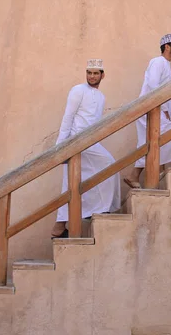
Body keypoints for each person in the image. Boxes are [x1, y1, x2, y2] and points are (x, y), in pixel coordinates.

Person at [51, 59, 121, 238]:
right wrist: (60, 147)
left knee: (77, 182)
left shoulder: (101, 97)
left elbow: (95, 123)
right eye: (89, 73)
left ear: (102, 75)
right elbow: (68, 117)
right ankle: (99, 210)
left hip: (91, 142)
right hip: (76, 140)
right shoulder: (78, 90)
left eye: (96, 73)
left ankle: (60, 228)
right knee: (105, 165)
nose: (92, 76)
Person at [124, 33, 171, 189]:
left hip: (156, 109)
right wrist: (163, 110)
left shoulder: (166, 64)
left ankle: (138, 175)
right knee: (164, 138)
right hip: (151, 109)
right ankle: (149, 174)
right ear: (167, 47)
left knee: (155, 142)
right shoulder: (158, 62)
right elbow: (153, 86)